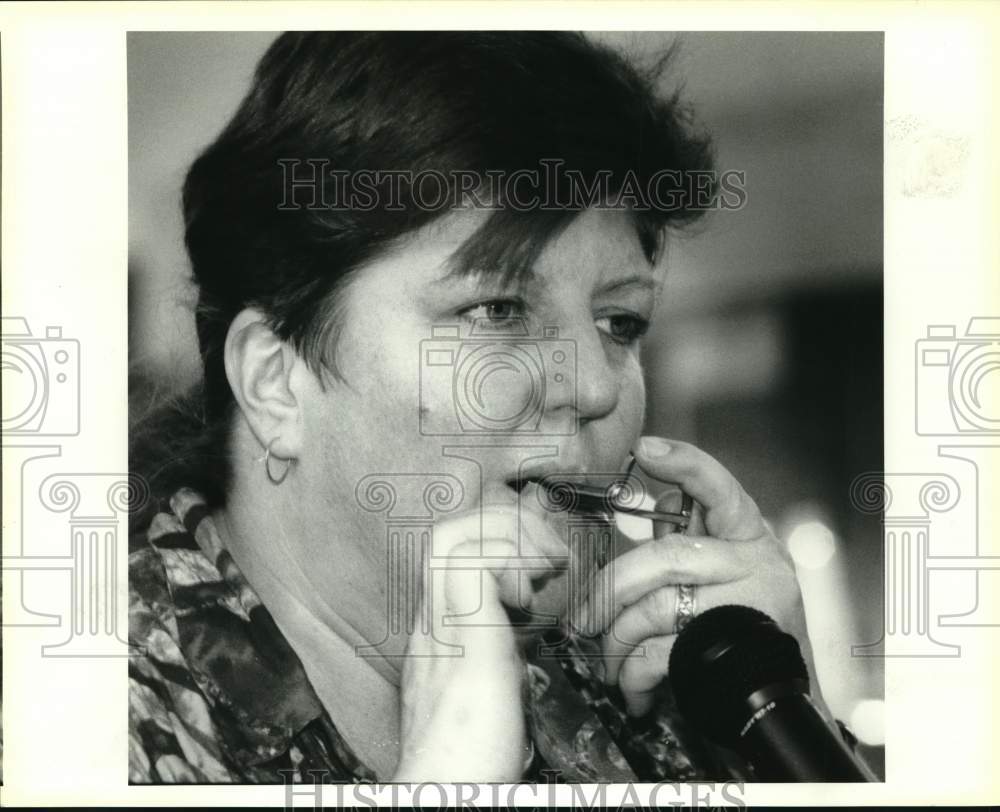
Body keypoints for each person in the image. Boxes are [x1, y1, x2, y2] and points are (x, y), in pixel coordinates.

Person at [128, 31, 846, 784]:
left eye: (621, 323)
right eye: (498, 309)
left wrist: (791, 730)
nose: (596, 387)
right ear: (275, 381)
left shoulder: (643, 687)